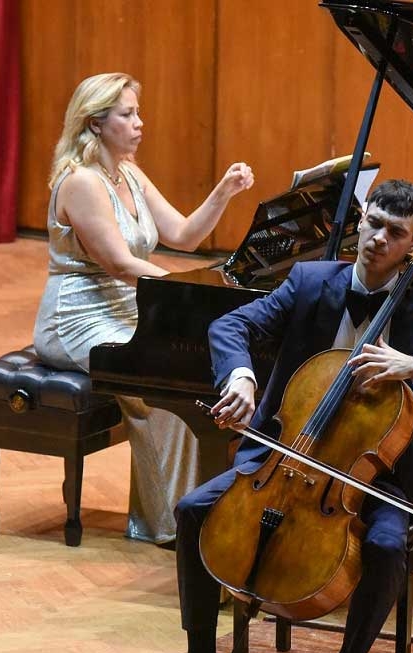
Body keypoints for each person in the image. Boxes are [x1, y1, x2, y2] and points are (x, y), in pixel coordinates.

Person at [126, 179, 413, 653]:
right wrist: (240, 377)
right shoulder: (310, 282)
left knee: (384, 547)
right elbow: (232, 326)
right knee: (193, 510)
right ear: (361, 220)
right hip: (288, 457)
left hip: (379, 479)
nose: (378, 239)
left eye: (395, 233)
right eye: (373, 223)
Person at [33, 72, 254, 544]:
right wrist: (189, 292)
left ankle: (199, 507)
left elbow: (183, 235)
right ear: (95, 123)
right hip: (76, 320)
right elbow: (118, 264)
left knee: (189, 375)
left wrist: (224, 191)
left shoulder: (129, 172)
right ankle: (171, 524)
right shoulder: (82, 183)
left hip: (129, 309)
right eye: (127, 114)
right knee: (160, 385)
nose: (140, 123)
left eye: (138, 113)